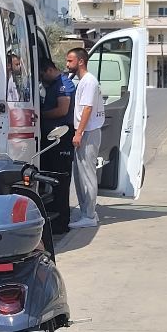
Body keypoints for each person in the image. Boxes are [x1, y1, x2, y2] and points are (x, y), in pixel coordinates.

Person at [65, 48, 105, 229]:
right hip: (86, 131)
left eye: (70, 61)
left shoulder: (89, 82)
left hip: (88, 132)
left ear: (81, 61)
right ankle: (86, 212)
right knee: (80, 174)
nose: (67, 64)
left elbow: (87, 109)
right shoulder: (83, 81)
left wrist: (79, 133)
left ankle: (89, 215)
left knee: (87, 174)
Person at [39, 59, 75, 235]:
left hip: (61, 138)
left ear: (49, 70)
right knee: (51, 178)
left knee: (60, 180)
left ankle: (61, 222)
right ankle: (54, 220)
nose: (42, 79)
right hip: (52, 138)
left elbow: (62, 110)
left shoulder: (63, 83)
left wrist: (40, 114)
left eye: (42, 74)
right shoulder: (54, 84)